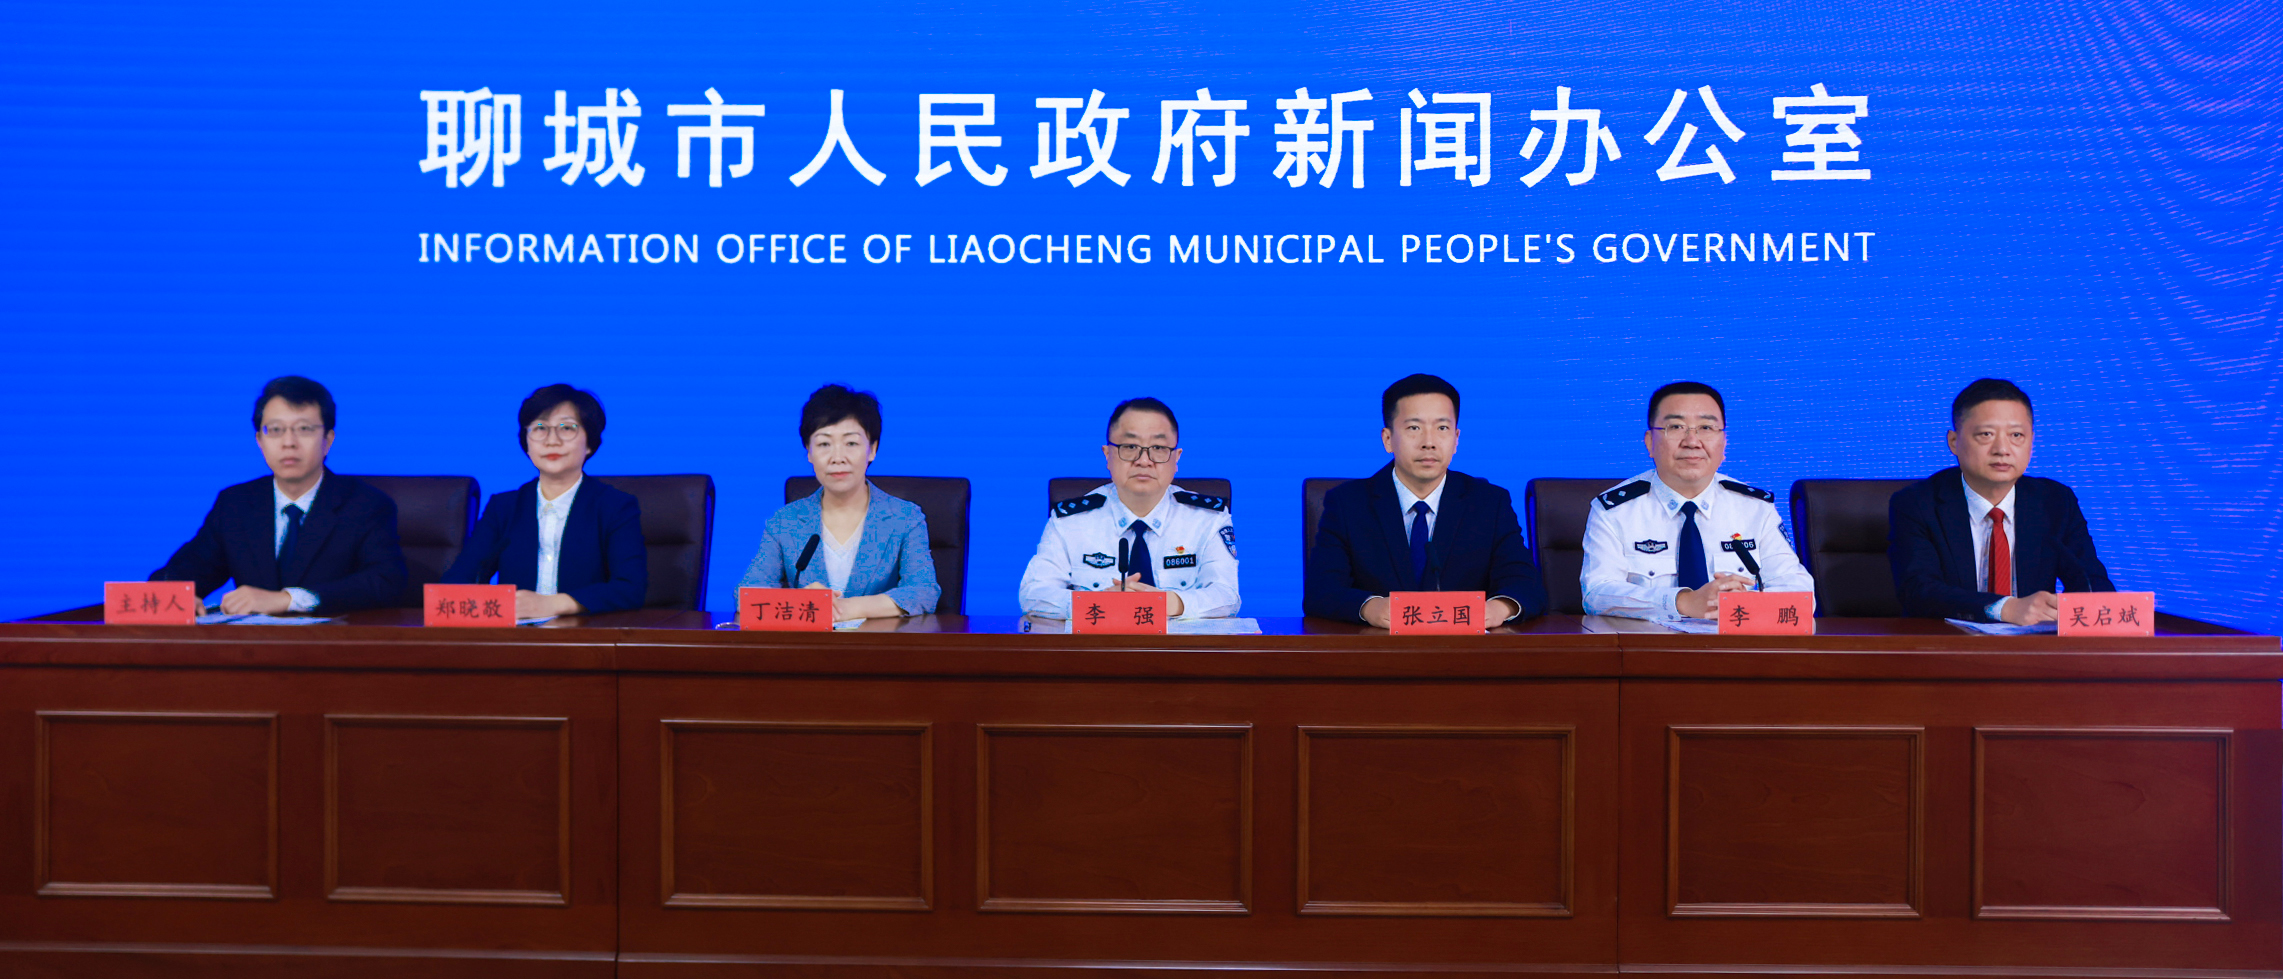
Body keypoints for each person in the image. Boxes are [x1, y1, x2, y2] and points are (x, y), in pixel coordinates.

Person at [151, 375, 406, 614]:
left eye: (304, 429)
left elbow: (386, 583)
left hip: (333, 642)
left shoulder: (365, 505)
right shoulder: (236, 504)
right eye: (275, 430)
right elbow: (183, 572)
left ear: (328, 440)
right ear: (259, 441)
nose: (288, 442)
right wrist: (177, 596)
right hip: (254, 645)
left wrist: (288, 599)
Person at [1305, 374, 1545, 626]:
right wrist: (1369, 607)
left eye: (1442, 428)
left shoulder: (1489, 503)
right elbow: (1320, 591)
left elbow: (1527, 585)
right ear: (1388, 439)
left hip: (1464, 647)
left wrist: (1499, 608)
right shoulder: (1347, 504)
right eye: (1414, 428)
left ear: (1456, 439)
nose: (1429, 443)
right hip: (1378, 645)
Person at [1580, 381, 1814, 620]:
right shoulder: (1614, 510)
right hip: (1648, 641)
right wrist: (1682, 602)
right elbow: (1596, 593)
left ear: (1724, 443)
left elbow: (1802, 596)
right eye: (1676, 427)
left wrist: (1743, 604)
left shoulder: (1755, 509)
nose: (1692, 441)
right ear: (1650, 442)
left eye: (1706, 427)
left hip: (1734, 640)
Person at [1889, 378, 2114, 624]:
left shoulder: (2056, 501)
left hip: (2034, 644)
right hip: (1947, 642)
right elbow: (1918, 590)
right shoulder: (1916, 503)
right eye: (1986, 434)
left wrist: (2081, 606)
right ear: (1954, 441)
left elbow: (2092, 582)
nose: (2002, 449)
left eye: (2016, 435)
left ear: (2031, 441)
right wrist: (2003, 608)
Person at [1020, 397, 1239, 619]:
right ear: (1107, 455)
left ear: (1176, 458)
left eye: (1158, 448)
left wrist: (1169, 603)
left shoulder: (1208, 519)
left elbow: (1226, 594)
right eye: (1130, 447)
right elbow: (1033, 593)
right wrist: (1097, 603)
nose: (1144, 460)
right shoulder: (1070, 521)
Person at [442, 384, 648, 618]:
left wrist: (554, 604)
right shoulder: (504, 508)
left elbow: (630, 588)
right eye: (540, 428)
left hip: (587, 634)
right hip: (516, 636)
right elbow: (457, 583)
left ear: (589, 443)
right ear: (526, 442)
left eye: (567, 428)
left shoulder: (615, 507)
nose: (552, 440)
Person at [741, 384, 940, 620]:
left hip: (880, 641)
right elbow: (746, 595)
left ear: (872, 449)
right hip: (808, 644)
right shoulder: (784, 522)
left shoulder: (905, 518)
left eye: (851, 443)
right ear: (809, 452)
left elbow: (924, 591)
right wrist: (801, 603)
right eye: (824, 444)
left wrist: (843, 608)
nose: (837, 458)